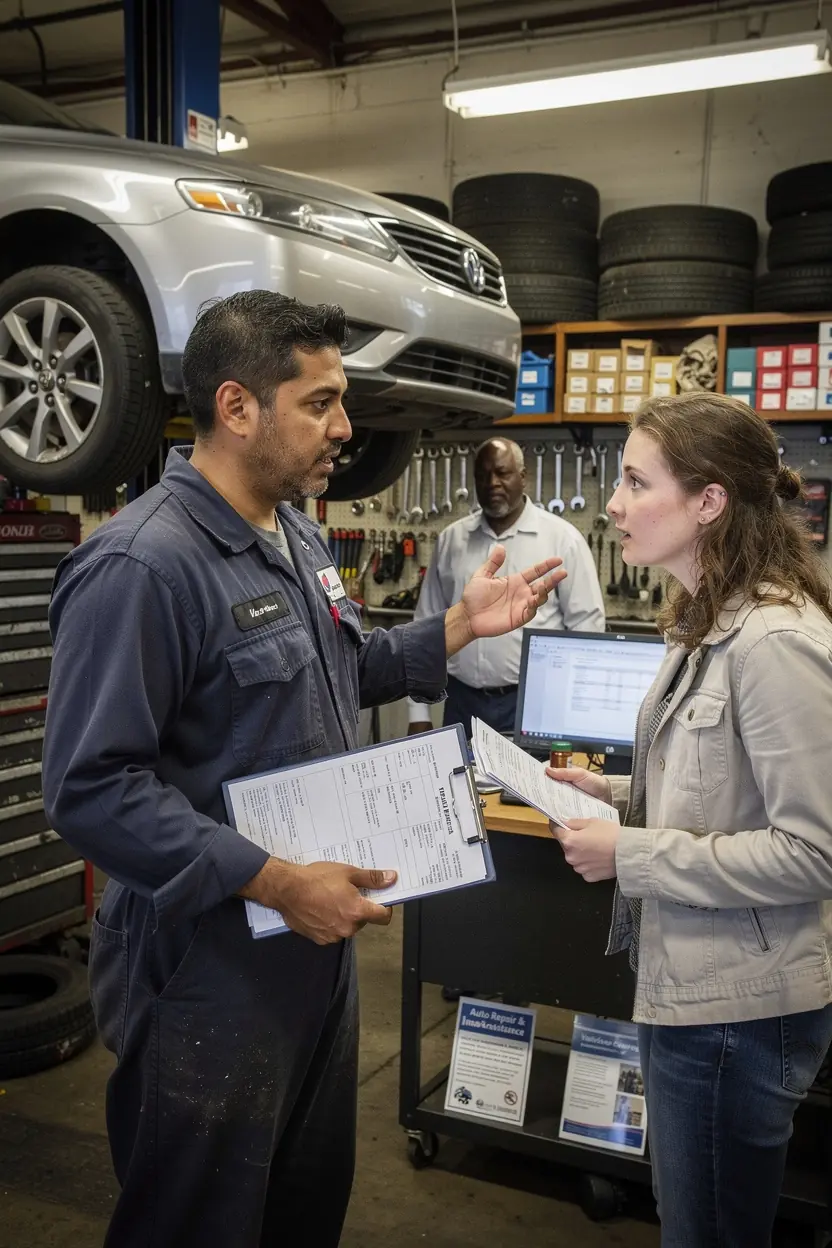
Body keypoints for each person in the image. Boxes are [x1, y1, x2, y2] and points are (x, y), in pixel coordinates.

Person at [41, 291, 566, 1248]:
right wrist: (278, 882)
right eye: (320, 403)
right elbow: (91, 789)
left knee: (300, 1208)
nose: (346, 427)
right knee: (197, 1221)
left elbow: (338, 670)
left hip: (310, 944)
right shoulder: (142, 567)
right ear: (238, 407)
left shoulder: (299, 536)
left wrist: (456, 627)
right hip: (205, 962)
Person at [547, 391, 832, 1247]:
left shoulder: (774, 642)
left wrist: (629, 853)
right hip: (696, 995)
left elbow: (813, 852)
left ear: (709, 501)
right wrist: (614, 797)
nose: (614, 505)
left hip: (738, 1018)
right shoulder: (705, 624)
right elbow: (723, 792)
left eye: (637, 482)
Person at [408, 436, 605, 740]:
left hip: (535, 701)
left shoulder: (563, 540)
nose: (492, 483)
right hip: (461, 701)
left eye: (502, 473)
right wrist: (418, 713)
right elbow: (425, 628)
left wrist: (575, 711)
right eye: (483, 475)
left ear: (523, 477)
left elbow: (587, 628)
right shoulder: (451, 540)